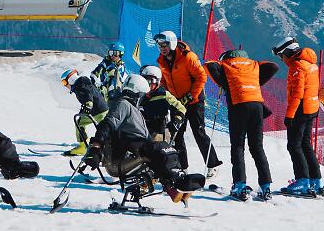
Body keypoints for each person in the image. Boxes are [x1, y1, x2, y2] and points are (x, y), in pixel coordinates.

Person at [84, 74, 205, 203]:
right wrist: (96, 148)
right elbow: (107, 124)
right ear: (138, 93)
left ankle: (174, 188)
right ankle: (179, 181)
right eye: (142, 95)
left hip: (133, 151)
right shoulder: (123, 105)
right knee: (161, 149)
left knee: (161, 151)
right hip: (123, 158)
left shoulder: (131, 108)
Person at [205, 50, 278, 200]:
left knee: (238, 146)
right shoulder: (252, 65)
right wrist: (255, 82)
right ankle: (265, 187)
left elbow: (209, 65)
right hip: (257, 105)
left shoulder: (227, 63)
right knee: (257, 147)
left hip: (239, 105)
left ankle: (239, 186)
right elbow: (273, 67)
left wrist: (223, 81)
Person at [154, 31, 222, 177]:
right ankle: (182, 168)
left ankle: (212, 165)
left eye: (165, 45)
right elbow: (164, 80)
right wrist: (165, 95)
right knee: (177, 134)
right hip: (177, 103)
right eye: (160, 46)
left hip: (194, 101)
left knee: (199, 132)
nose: (162, 49)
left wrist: (191, 95)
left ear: (172, 44)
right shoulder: (161, 61)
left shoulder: (188, 57)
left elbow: (201, 76)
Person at [272, 37, 324, 195]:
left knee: (294, 145)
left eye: (281, 56)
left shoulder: (297, 66)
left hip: (300, 110)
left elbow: (297, 94)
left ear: (288, 53)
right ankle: (316, 182)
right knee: (305, 144)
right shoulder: (311, 63)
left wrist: (289, 116)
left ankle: (302, 181)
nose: (282, 60)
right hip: (312, 108)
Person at [59, 69, 109, 156]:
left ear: (70, 79)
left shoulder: (81, 84)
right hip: (99, 109)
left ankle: (85, 147)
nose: (65, 85)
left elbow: (87, 93)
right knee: (82, 123)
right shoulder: (81, 83)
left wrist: (88, 103)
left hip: (98, 111)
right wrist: (84, 108)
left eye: (64, 82)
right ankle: (86, 146)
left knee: (98, 128)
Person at [139, 65, 186, 141]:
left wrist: (176, 121)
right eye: (144, 80)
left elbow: (181, 108)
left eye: (151, 81)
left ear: (158, 81)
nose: (147, 84)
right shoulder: (138, 93)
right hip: (139, 129)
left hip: (157, 132)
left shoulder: (164, 95)